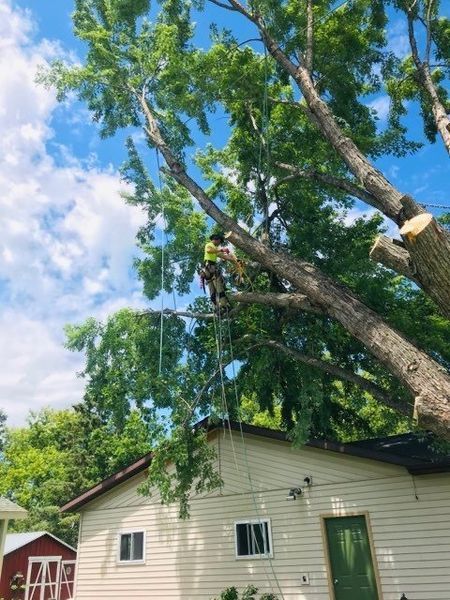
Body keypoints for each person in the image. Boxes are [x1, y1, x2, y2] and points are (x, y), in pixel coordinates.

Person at [202, 233, 238, 312]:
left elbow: (223, 256)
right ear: (217, 240)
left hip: (207, 271)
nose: (219, 244)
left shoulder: (215, 249)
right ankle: (225, 306)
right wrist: (221, 249)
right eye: (219, 242)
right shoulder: (209, 245)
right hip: (210, 268)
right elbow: (209, 250)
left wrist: (234, 259)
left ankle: (217, 308)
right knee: (219, 287)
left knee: (213, 291)